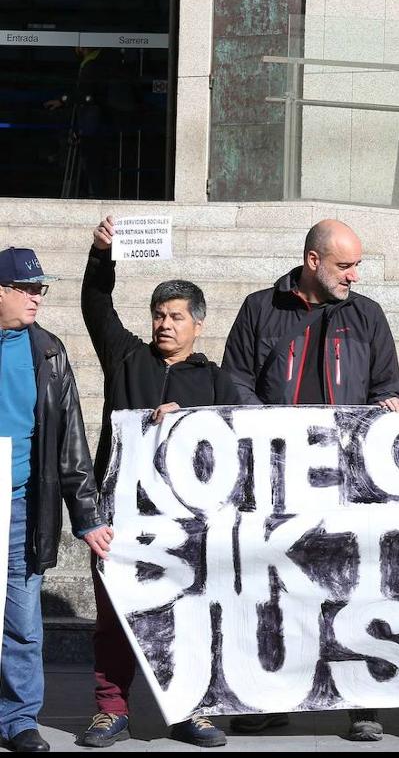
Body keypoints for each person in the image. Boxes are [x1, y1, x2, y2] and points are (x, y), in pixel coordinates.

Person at [221, 220, 399, 741]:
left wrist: (387, 405)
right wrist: (275, 433)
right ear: (313, 261)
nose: (354, 275)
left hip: (345, 481)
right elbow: (234, 380)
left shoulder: (367, 315)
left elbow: (387, 385)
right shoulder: (261, 308)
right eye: (345, 265)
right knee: (273, 587)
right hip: (275, 479)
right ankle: (269, 699)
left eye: (357, 265)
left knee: (351, 590)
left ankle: (360, 701)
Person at [75, 216, 239, 749]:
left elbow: (240, 441)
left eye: (175, 316)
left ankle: (189, 710)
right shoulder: (126, 358)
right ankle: (110, 712)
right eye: (158, 315)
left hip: (183, 523)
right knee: (114, 620)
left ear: (197, 324)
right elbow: (95, 306)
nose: (164, 324)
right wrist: (103, 255)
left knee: (187, 615)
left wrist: (189, 414)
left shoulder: (216, 382)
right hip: (121, 515)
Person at [0, 247, 111, 753]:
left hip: (23, 504)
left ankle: (19, 720)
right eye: (25, 289)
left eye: (40, 289)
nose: (35, 298)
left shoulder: (48, 351)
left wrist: (87, 516)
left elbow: (71, 441)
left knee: (22, 621)